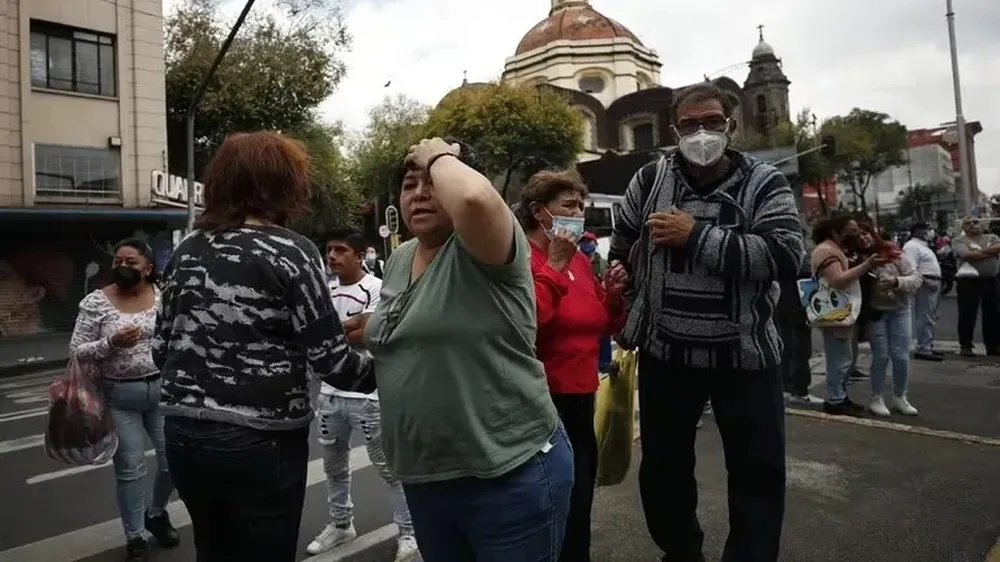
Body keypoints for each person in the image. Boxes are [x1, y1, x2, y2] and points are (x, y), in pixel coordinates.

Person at [153, 131, 375, 562]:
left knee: (212, 549)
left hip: (183, 434)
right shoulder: (291, 250)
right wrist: (388, 370)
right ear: (283, 185)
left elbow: (161, 349)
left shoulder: (186, 251)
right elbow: (331, 360)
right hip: (260, 441)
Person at [609, 82, 804, 562]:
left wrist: (697, 236)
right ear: (674, 130)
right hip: (667, 355)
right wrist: (625, 280)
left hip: (745, 356)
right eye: (690, 124)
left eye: (712, 122)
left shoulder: (764, 182)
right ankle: (681, 552)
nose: (701, 133)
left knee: (757, 471)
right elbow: (623, 243)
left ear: (729, 125)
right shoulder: (649, 181)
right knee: (663, 468)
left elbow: (784, 255)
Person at [361, 138, 574, 561]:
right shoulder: (402, 256)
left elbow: (475, 199)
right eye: (409, 184)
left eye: (433, 181)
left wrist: (437, 153)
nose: (420, 193)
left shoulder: (486, 247)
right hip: (427, 479)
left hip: (507, 478)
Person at [516, 170, 627, 562]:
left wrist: (612, 297)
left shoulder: (580, 259)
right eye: (568, 206)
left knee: (579, 503)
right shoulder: (521, 258)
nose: (577, 214)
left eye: (581, 206)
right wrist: (555, 266)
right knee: (549, 506)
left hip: (583, 399)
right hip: (543, 403)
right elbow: (525, 325)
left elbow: (601, 322)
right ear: (538, 211)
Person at [306, 228, 418, 561]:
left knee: (389, 469)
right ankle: (341, 524)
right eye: (329, 249)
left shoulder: (377, 289)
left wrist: (336, 335)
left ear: (359, 256)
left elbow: (367, 336)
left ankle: (409, 533)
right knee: (334, 467)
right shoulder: (324, 291)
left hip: (368, 396)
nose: (332, 256)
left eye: (340, 250)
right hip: (329, 394)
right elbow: (327, 336)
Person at [69, 239, 178, 561]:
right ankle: (135, 535)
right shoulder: (96, 302)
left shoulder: (164, 298)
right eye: (118, 261)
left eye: (131, 262)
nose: (123, 267)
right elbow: (77, 351)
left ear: (148, 268)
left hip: (163, 392)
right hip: (119, 397)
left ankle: (156, 513)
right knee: (130, 468)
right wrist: (111, 342)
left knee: (173, 463)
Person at [809, 214, 888, 417]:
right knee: (839, 359)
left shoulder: (834, 249)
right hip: (835, 311)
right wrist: (866, 266)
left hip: (840, 311)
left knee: (845, 357)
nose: (855, 235)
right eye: (850, 231)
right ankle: (835, 400)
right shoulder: (826, 251)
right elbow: (838, 280)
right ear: (835, 232)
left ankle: (840, 396)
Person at [856, 224, 922, 416]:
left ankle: (901, 397)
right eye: (858, 237)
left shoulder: (892, 252)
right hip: (876, 312)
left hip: (900, 309)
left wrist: (896, 282)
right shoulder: (855, 259)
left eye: (865, 233)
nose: (863, 239)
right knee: (881, 356)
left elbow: (916, 278)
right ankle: (876, 399)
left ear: (873, 233)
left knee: (901, 356)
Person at [951, 216, 1000, 356]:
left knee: (993, 314)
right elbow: (966, 255)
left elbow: (997, 247)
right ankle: (966, 346)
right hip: (968, 281)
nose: (973, 224)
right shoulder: (958, 240)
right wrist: (989, 252)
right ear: (963, 227)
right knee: (967, 313)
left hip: (990, 279)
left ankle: (993, 346)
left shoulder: (993, 237)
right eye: (968, 223)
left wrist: (977, 253)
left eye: (976, 222)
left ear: (982, 225)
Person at [779, 249, 822, 405]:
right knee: (799, 349)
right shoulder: (795, 255)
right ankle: (798, 390)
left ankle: (787, 387)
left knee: (787, 347)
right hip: (796, 306)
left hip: (784, 304)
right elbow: (807, 275)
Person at [903, 222, 944, 362]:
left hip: (933, 283)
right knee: (925, 317)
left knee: (931, 317)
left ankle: (928, 345)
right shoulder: (912, 246)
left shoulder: (922, 246)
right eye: (927, 229)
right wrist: (926, 281)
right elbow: (910, 268)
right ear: (917, 231)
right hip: (926, 284)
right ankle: (923, 348)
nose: (929, 232)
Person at [578, 231, 614, 374]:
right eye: (584, 241)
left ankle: (605, 365)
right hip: (583, 306)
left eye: (589, 241)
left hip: (600, 305)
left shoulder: (603, 263)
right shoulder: (576, 261)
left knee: (604, 337)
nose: (586, 244)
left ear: (595, 244)